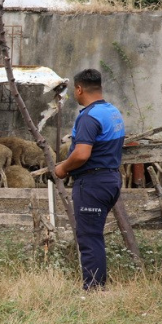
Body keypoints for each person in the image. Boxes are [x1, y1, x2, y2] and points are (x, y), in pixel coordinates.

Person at [54, 68, 125, 290]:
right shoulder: (112, 111)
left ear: (79, 88)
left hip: (92, 183)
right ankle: (96, 285)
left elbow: (82, 153)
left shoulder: (88, 117)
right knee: (94, 236)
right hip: (111, 179)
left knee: (89, 238)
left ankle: (93, 289)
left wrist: (63, 168)